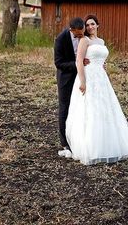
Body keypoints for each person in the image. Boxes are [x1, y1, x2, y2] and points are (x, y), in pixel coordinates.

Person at [65, 14, 128, 165]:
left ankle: (108, 143)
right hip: (89, 77)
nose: (90, 27)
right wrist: (83, 81)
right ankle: (91, 147)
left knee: (105, 109)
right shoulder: (84, 40)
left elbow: (102, 59)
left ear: (97, 25)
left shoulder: (101, 41)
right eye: (88, 25)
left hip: (101, 79)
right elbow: (79, 61)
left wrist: (104, 65)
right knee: (90, 109)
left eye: (93, 24)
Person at [54, 16, 86, 158]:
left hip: (82, 78)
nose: (80, 37)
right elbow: (58, 63)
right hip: (66, 79)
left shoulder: (86, 36)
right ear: (71, 30)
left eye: (82, 33)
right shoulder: (61, 39)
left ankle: (79, 139)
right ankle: (65, 142)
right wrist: (78, 64)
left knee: (81, 107)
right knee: (65, 107)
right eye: (77, 35)